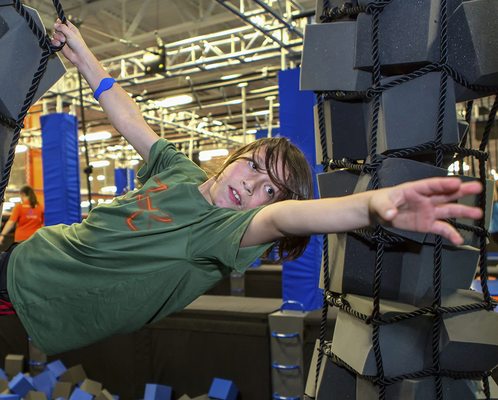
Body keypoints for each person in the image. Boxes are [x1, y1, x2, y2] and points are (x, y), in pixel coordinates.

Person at [0, 20, 484, 355]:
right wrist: (87, 60)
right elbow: (133, 120)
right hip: (30, 253)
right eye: (253, 166)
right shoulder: (179, 171)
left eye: (269, 190)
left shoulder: (219, 232)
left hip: (29, 294)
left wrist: (373, 206)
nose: (252, 186)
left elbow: (288, 218)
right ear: (232, 158)